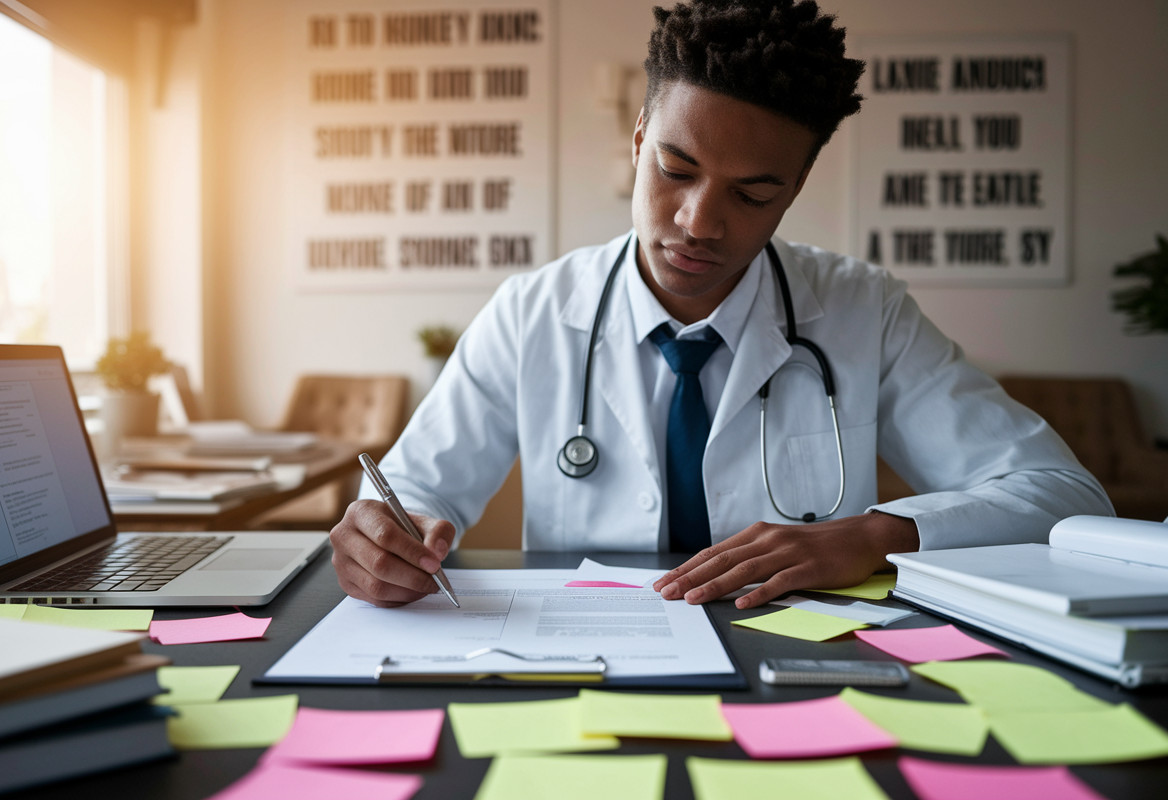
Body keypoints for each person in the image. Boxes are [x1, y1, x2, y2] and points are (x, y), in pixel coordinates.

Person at [330, 0, 1112, 609]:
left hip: (801, 671)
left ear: (795, 190)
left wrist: (875, 536)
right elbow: (413, 496)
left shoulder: (861, 310)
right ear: (638, 142)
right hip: (587, 661)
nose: (700, 222)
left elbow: (1065, 498)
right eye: (676, 169)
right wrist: (381, 541)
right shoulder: (532, 312)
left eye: (754, 192)